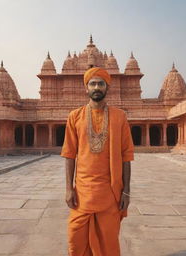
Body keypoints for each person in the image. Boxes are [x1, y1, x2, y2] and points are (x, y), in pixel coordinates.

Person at [61, 67, 134, 256]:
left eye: (100, 83)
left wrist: (126, 191)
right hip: (83, 191)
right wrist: (69, 188)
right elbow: (69, 154)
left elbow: (127, 156)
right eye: (92, 83)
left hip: (110, 191)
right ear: (86, 88)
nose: (96, 87)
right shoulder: (74, 116)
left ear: (107, 86)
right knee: (75, 239)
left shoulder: (120, 116)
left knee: (108, 242)